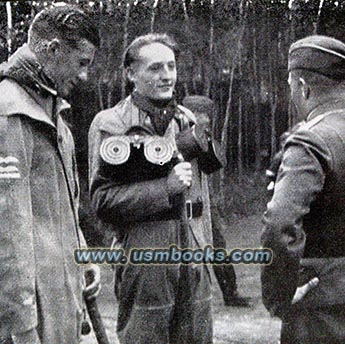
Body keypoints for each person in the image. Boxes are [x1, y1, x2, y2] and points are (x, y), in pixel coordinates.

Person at [89, 33, 213, 343]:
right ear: (131, 73)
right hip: (146, 254)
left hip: (194, 251)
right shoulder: (112, 124)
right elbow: (102, 200)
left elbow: (203, 195)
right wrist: (165, 188)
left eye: (171, 66)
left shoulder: (187, 121)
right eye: (155, 68)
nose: (167, 75)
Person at [0, 4, 101, 344]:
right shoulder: (8, 112)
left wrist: (83, 257)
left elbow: (64, 208)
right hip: (31, 317)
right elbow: (7, 233)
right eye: (82, 62)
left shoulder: (51, 110)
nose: (84, 74)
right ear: (54, 49)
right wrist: (21, 326)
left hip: (59, 303)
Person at [261, 35, 345, 344]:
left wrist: (279, 295)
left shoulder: (311, 140)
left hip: (323, 305)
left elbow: (280, 223)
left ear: (302, 87)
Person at [182, 95, 250, 307]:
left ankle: (230, 293)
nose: (208, 119)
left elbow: (214, 162)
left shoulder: (201, 136)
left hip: (204, 207)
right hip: (184, 208)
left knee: (218, 248)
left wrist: (204, 138)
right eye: (203, 115)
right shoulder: (177, 134)